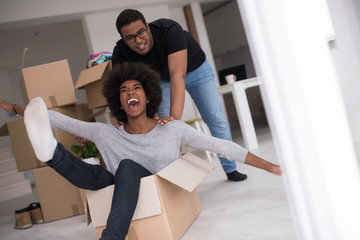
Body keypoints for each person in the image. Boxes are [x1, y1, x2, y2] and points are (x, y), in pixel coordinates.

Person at [0, 62, 282, 240]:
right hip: (119, 188)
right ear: (120, 103)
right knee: (100, 175)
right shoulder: (105, 132)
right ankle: (50, 153)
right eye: (124, 90)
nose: (130, 92)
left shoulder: (172, 129)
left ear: (147, 96)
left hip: (159, 190)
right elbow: (58, 119)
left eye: (137, 88)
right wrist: (15, 108)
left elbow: (223, 147)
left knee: (127, 165)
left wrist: (270, 166)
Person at [112, 9, 247, 181]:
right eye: (130, 38)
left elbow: (178, 74)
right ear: (123, 39)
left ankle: (231, 169)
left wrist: (175, 118)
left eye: (141, 32)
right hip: (161, 80)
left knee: (214, 118)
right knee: (165, 128)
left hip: (196, 70)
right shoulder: (121, 52)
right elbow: (119, 88)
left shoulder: (169, 30)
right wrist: (122, 119)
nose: (138, 41)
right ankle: (178, 178)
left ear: (147, 26)